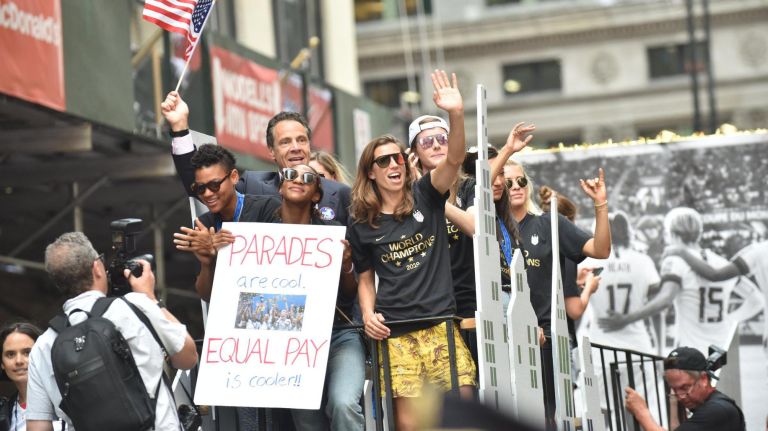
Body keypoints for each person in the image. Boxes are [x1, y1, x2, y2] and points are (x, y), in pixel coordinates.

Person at [174, 145, 365, 430]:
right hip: (288, 347)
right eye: (288, 175)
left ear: (317, 194)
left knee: (343, 403)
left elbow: (350, 293)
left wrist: (346, 264)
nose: (297, 180)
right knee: (307, 421)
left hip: (338, 335)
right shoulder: (247, 226)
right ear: (279, 187)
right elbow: (214, 294)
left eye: (308, 179)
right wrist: (209, 261)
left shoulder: (331, 231)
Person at [348, 70, 475, 431]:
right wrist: (369, 315)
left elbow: (453, 161)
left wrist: (456, 114)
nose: (393, 165)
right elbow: (365, 278)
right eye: (383, 161)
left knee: (462, 420)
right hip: (397, 333)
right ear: (370, 172)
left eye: (397, 159)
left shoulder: (425, 196)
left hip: (440, 325)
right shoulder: (361, 222)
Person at [26, 232, 198, 431]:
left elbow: (38, 427)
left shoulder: (43, 346)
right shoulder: (135, 307)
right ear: (97, 267)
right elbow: (187, 357)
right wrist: (152, 298)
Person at [493, 149, 611, 426]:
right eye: (508, 182)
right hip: (502, 336)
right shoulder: (487, 229)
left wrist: (601, 205)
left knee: (547, 416)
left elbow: (601, 249)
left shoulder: (548, 223)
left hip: (545, 336)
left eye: (521, 181)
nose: (517, 187)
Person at [161, 91, 352, 224]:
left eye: (301, 140)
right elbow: (200, 186)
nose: (295, 148)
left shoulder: (342, 194)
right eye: (285, 142)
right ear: (271, 151)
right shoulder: (251, 185)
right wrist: (180, 128)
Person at [598, 207, 763, 354]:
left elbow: (664, 300)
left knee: (673, 386)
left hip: (688, 352)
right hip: (720, 351)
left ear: (672, 233)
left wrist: (627, 319)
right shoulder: (721, 262)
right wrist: (730, 319)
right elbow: (757, 300)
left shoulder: (675, 261)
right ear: (699, 233)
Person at [581, 211, 658, 354]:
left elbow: (576, 309)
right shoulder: (644, 261)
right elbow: (657, 308)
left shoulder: (587, 263)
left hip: (600, 345)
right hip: (638, 345)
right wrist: (659, 348)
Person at [624, 346, 745, 430]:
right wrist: (673, 404)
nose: (680, 396)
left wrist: (641, 412)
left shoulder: (717, 410)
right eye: (674, 390)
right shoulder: (706, 407)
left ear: (703, 379)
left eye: (685, 387)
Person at [0, 323, 43, 431]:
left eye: (27, 352)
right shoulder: (4, 414)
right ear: (2, 363)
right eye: (10, 354)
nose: (19, 361)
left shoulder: (66, 399)